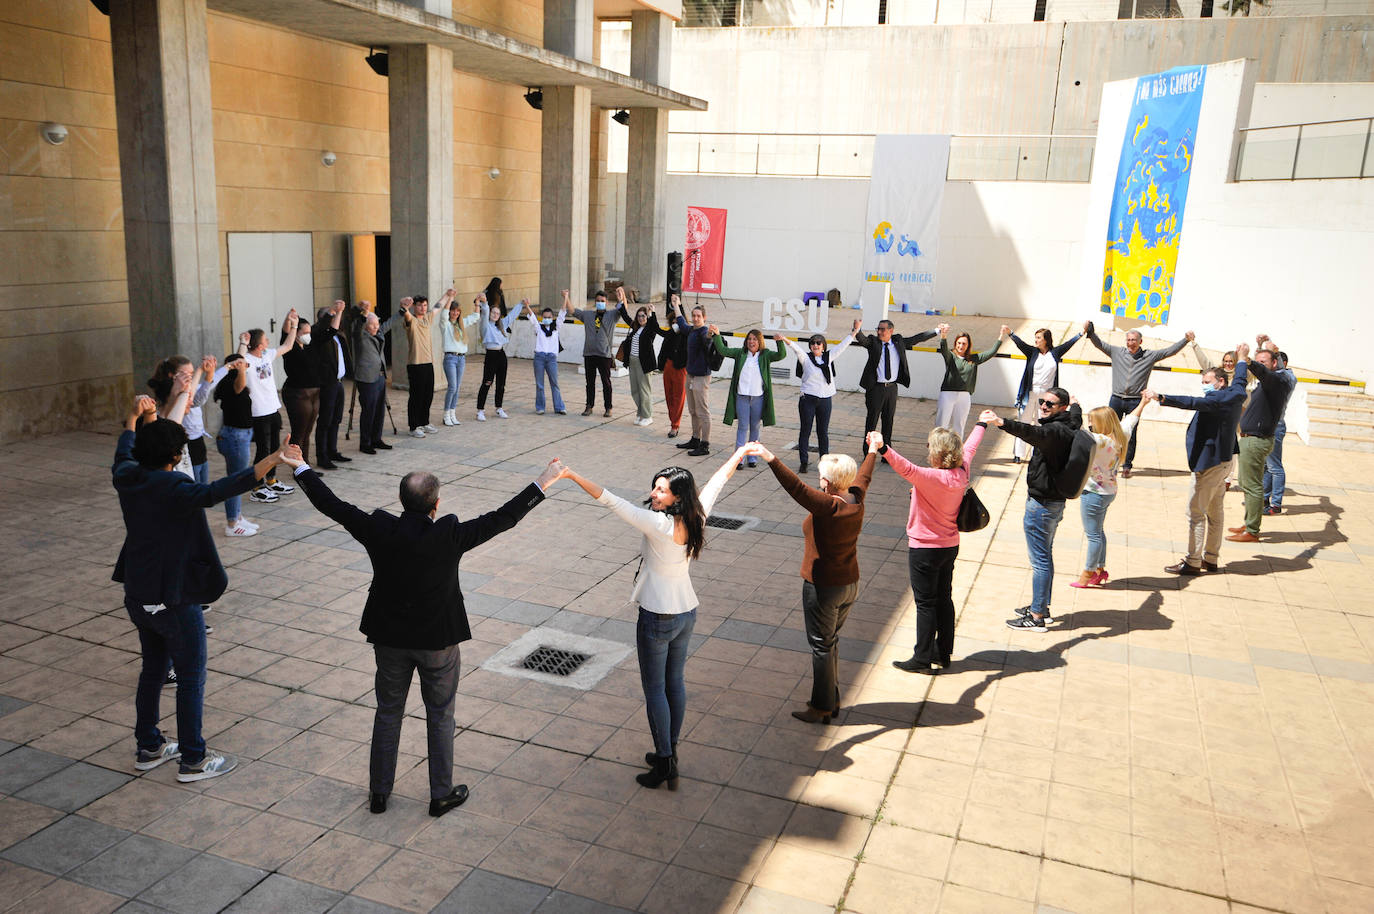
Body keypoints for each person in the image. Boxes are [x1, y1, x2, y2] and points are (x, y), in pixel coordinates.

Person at [283, 448, 562, 817]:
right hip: (438, 643)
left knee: (388, 712)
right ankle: (440, 794)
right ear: (436, 504)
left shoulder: (379, 528)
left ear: (401, 501)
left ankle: (379, 793)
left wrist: (300, 466)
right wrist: (543, 481)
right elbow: (503, 518)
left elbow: (332, 504)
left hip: (390, 641)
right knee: (441, 714)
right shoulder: (449, 535)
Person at [113, 396, 297, 782]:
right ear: (175, 456)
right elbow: (223, 488)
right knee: (191, 677)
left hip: (138, 592)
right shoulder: (176, 486)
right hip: (174, 597)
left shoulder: (127, 475)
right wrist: (273, 459)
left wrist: (135, 417)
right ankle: (193, 759)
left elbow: (126, 445)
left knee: (152, 670)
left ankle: (148, 746)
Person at [552, 448, 748, 788]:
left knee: (656, 690)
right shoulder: (697, 515)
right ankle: (668, 751)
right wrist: (742, 452)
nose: (654, 494)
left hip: (658, 616)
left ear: (676, 498)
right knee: (675, 683)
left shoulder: (659, 524)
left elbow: (611, 500)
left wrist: (570, 475)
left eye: (662, 490)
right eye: (655, 487)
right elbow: (718, 481)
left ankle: (664, 761)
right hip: (686, 612)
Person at [745, 440, 876, 720]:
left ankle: (821, 707)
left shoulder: (828, 507)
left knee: (821, 645)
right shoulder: (856, 498)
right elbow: (865, 476)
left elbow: (796, 488)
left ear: (828, 482)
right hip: (849, 584)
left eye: (822, 476)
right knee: (830, 642)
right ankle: (832, 699)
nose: (819, 480)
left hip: (824, 588)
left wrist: (771, 457)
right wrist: (874, 450)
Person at [870, 421, 983, 674]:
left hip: (924, 549)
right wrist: (982, 424)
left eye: (930, 446)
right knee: (944, 598)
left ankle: (921, 658)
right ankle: (943, 652)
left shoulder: (930, 476)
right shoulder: (962, 471)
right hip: (949, 546)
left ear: (938, 453)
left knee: (925, 603)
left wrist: (882, 447)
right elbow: (972, 448)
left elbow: (905, 467)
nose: (927, 449)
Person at [978, 389, 1083, 632]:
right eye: (1042, 401)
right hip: (1053, 503)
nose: (1044, 406)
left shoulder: (1053, 432)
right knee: (1045, 556)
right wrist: (1077, 405)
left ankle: (1036, 617)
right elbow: (1076, 415)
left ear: (1062, 407)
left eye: (1051, 404)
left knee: (1041, 561)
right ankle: (1041, 607)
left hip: (1042, 505)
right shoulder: (1071, 422)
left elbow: (1031, 432)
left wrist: (1001, 422)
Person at [1145, 360, 1247, 574]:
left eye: (1207, 382)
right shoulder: (1236, 393)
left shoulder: (1217, 399)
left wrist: (1161, 397)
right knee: (1215, 512)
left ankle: (1192, 561)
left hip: (1210, 463)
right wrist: (1242, 360)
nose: (1204, 386)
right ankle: (1211, 558)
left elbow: (1191, 402)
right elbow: (1240, 379)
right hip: (1224, 460)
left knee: (1196, 513)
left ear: (1220, 382)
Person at [1084, 320, 1194, 477]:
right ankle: (1109, 459)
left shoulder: (1149, 356)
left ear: (1140, 341)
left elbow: (1170, 351)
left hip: (1135, 401)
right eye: (1128, 340)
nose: (1130, 343)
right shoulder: (1117, 352)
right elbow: (1099, 344)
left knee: (1131, 434)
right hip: (1116, 398)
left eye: (1133, 340)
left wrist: (1186, 340)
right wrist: (1090, 332)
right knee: (1108, 430)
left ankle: (1127, 465)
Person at [1071, 400, 1147, 588]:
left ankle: (1087, 574)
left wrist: (1074, 407)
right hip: (1109, 492)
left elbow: (1076, 430)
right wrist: (1143, 402)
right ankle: (1099, 569)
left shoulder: (1099, 440)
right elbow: (1131, 419)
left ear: (1101, 423)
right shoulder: (1121, 436)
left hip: (1093, 494)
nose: (1089, 423)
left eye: (1092, 420)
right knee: (1098, 531)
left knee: (1093, 535)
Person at [1226, 343, 1293, 543]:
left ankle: (1252, 530)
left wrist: (1247, 360)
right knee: (1247, 484)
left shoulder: (1278, 380)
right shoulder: (1267, 383)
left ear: (1275, 363)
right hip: (1250, 438)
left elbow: (1264, 372)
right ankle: (1249, 523)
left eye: (1264, 361)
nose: (1259, 364)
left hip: (1256, 440)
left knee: (1252, 486)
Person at [853, 318, 939, 455]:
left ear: (891, 330)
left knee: (888, 420)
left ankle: (887, 453)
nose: (879, 332)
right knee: (872, 421)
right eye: (878, 329)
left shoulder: (898, 341)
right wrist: (857, 329)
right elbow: (862, 340)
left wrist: (936, 331)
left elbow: (918, 338)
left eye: (882, 329)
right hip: (876, 388)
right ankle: (868, 452)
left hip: (892, 389)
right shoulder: (874, 342)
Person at [781, 329, 855, 473]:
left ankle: (824, 463)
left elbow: (843, 346)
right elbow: (796, 349)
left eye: (818, 343)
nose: (815, 345)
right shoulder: (806, 358)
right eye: (813, 343)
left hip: (825, 399)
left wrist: (855, 331)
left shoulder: (829, 357)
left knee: (823, 432)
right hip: (808, 399)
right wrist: (784, 339)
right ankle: (804, 461)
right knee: (805, 430)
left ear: (823, 346)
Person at [242, 311, 298, 502]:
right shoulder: (247, 360)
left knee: (275, 447)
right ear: (258, 344)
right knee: (262, 449)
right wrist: (243, 342)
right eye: (265, 339)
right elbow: (239, 360)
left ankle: (272, 480)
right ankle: (257, 486)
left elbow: (288, 345)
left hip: (273, 408)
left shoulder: (266, 354)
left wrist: (294, 325)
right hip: (258, 412)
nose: (268, 341)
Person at [711, 327, 788, 467]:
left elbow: (781, 355)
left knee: (755, 428)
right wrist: (717, 335)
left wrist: (780, 342)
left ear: (760, 342)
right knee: (742, 427)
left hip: (758, 398)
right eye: (749, 339)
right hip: (742, 397)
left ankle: (752, 458)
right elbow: (723, 350)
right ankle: (739, 459)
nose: (751, 342)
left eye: (755, 339)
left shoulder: (765, 355)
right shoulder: (740, 354)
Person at [1008, 327, 1082, 463]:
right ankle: (1018, 454)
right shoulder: (1032, 352)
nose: (1036, 340)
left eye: (1039, 338)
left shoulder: (1055, 353)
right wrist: (1010, 333)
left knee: (1040, 424)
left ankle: (1036, 453)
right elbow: (1020, 344)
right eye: (1035, 338)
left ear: (1046, 340)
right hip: (1030, 393)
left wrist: (1081, 333)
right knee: (1024, 422)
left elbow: (1068, 344)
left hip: (1046, 396)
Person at [934, 323, 1009, 437]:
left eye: (964, 343)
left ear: (968, 345)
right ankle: (935, 449)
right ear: (955, 344)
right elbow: (944, 348)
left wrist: (1001, 335)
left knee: (959, 426)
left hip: (964, 396)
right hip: (948, 394)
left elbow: (991, 352)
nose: (961, 346)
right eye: (959, 343)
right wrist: (943, 335)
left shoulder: (974, 359)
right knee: (941, 425)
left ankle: (957, 452)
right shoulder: (951, 357)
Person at [213, 355, 260, 534]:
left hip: (241, 436)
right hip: (234, 437)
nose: (246, 366)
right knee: (235, 480)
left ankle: (237, 516)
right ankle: (232, 524)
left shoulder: (231, 380)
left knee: (237, 478)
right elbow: (239, 388)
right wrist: (240, 369)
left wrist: (242, 343)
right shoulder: (229, 384)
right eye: (241, 364)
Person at [354, 308, 403, 454]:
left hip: (380, 377)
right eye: (372, 325)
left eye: (377, 324)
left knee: (379, 411)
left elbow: (388, 324)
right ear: (365, 325)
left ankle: (376, 438)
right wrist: (362, 317)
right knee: (368, 410)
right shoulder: (360, 336)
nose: (376, 327)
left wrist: (402, 311)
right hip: (367, 379)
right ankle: (365, 443)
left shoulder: (378, 332)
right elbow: (356, 328)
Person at [400, 292, 449, 437]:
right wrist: (405, 306)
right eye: (420, 305)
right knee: (416, 396)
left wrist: (447, 294)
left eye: (425, 305)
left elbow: (437, 307)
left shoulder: (427, 318)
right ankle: (414, 426)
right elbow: (406, 315)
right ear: (414, 307)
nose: (423, 308)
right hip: (415, 364)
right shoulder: (410, 320)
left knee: (428, 395)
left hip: (428, 363)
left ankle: (424, 422)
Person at [617, 288, 666, 427]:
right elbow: (625, 316)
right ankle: (641, 412)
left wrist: (652, 313)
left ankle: (647, 415)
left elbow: (655, 326)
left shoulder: (650, 330)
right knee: (635, 390)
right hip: (632, 361)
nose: (641, 318)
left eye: (643, 316)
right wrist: (621, 300)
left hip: (644, 363)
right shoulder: (635, 327)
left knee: (644, 390)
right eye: (639, 316)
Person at [1257, 335, 1295, 515]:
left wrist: (1275, 351)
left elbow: (1274, 367)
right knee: (1266, 465)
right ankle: (1264, 499)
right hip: (1266, 425)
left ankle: (1276, 504)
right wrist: (1260, 345)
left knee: (1275, 467)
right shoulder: (1273, 377)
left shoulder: (1287, 378)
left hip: (1276, 426)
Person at [280, 317, 323, 463]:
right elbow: (285, 333)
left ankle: (304, 463)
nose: (308, 335)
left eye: (309, 332)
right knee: (299, 431)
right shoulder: (290, 347)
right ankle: (299, 465)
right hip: (297, 393)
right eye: (304, 332)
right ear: (296, 332)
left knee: (308, 430)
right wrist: (289, 320)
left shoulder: (309, 346)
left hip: (314, 392)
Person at [674, 305, 715, 457]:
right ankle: (695, 438)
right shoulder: (692, 330)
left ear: (704, 317)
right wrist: (676, 305)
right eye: (694, 315)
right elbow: (681, 323)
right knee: (692, 410)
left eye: (699, 316)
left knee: (703, 411)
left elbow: (708, 342)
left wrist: (711, 335)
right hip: (690, 375)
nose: (696, 318)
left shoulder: (704, 332)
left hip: (701, 377)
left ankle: (705, 444)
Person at [315, 301, 352, 468]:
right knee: (325, 420)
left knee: (336, 419)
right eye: (333, 316)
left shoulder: (337, 334)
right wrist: (333, 310)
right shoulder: (319, 335)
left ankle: (332, 450)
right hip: (327, 383)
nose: (337, 319)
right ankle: (322, 456)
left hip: (339, 382)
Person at [576, 290, 619, 417]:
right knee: (590, 382)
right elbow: (573, 311)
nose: (600, 303)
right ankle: (589, 406)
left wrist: (621, 298)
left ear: (606, 302)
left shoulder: (612, 315)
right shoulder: (588, 315)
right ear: (595, 302)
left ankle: (608, 407)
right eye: (598, 301)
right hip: (589, 353)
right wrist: (566, 297)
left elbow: (622, 309)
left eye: (602, 301)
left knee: (606, 382)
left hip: (604, 354)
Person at [476, 292, 518, 421]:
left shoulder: (501, 325)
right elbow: (484, 312)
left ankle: (499, 407)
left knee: (501, 384)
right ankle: (480, 410)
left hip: (501, 354)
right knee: (487, 382)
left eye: (497, 313)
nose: (495, 315)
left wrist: (521, 304)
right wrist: (484, 302)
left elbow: (512, 316)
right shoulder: (485, 325)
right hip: (491, 355)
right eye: (493, 313)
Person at [530, 292, 574, 415]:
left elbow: (562, 312)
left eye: (549, 317)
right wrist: (527, 305)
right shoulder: (538, 327)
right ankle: (540, 407)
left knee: (554, 383)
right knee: (540, 384)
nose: (547, 319)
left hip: (551, 358)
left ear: (552, 318)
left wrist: (565, 297)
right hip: (539, 357)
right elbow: (532, 317)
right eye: (545, 317)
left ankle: (559, 407)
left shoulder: (556, 327)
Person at [439, 295, 479, 426]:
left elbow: (475, 317)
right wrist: (450, 298)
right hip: (450, 358)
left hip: (461, 358)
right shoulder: (445, 325)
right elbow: (443, 314)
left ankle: (452, 413)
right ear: (450, 311)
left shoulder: (461, 324)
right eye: (453, 310)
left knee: (457, 388)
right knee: (452, 387)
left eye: (457, 311)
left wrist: (477, 303)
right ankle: (446, 414)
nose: (455, 313)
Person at [658, 294, 689, 438]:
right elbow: (657, 330)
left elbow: (682, 318)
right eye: (674, 321)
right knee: (669, 396)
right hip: (668, 366)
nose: (676, 323)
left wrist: (678, 305)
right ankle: (673, 420)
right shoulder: (670, 333)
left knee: (678, 397)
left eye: (679, 321)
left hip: (680, 368)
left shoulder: (686, 333)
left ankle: (675, 425)